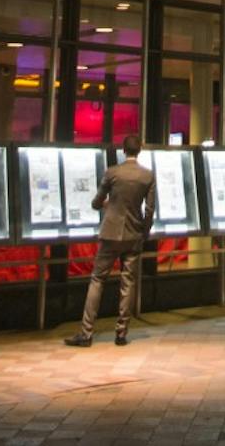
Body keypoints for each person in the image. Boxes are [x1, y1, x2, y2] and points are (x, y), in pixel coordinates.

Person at [64, 134, 155, 347]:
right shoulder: (147, 176)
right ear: (139, 150)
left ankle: (86, 333)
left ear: (124, 150)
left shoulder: (112, 173)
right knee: (128, 281)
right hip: (133, 234)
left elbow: (96, 202)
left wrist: (106, 204)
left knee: (97, 280)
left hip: (110, 233)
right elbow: (150, 209)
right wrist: (145, 231)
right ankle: (121, 332)